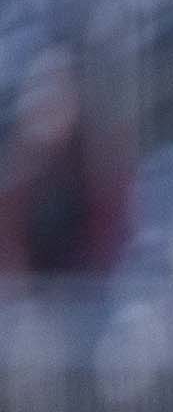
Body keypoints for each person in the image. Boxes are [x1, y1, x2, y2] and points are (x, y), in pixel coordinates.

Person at [3, 54, 131, 287]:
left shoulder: (99, 165)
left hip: (87, 303)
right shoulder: (15, 173)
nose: (44, 102)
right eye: (37, 91)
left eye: (55, 92)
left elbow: (108, 247)